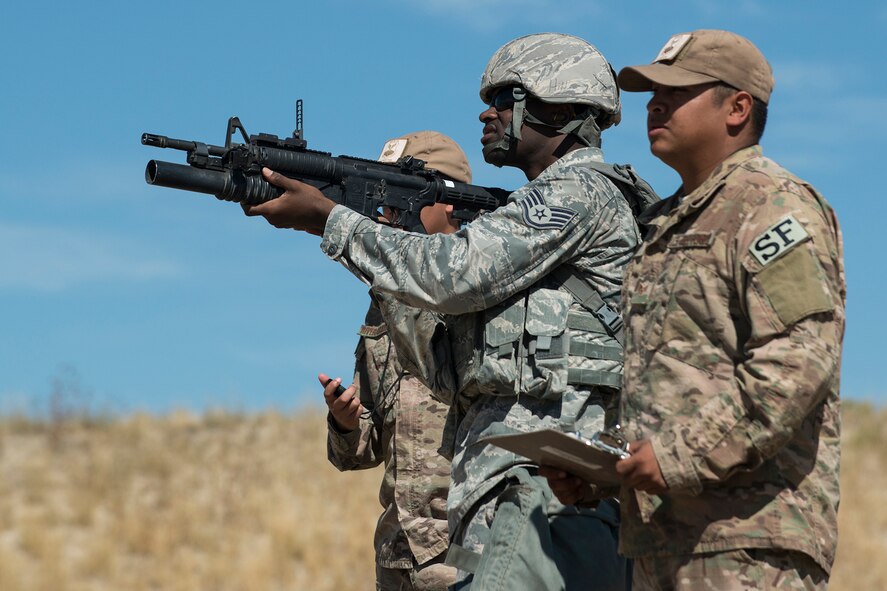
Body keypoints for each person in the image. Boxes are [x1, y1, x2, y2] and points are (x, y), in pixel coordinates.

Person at [244, 33, 639, 590]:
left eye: (507, 97)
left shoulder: (578, 192)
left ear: (565, 110)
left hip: (548, 494)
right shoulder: (536, 208)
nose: (488, 110)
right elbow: (440, 370)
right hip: (506, 498)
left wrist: (331, 222)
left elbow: (454, 274)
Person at [543, 29, 845, 590]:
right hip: (660, 545)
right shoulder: (662, 222)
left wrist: (675, 457)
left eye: (678, 91)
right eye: (651, 91)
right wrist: (606, 474)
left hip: (748, 543)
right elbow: (668, 384)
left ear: (737, 108)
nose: (655, 103)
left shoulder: (772, 205)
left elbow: (797, 364)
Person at [322, 130, 469, 591]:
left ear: (450, 200)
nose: (385, 214)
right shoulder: (384, 300)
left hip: (463, 550)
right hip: (397, 557)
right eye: (380, 199)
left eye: (400, 196)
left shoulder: (476, 290)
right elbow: (363, 450)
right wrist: (346, 423)